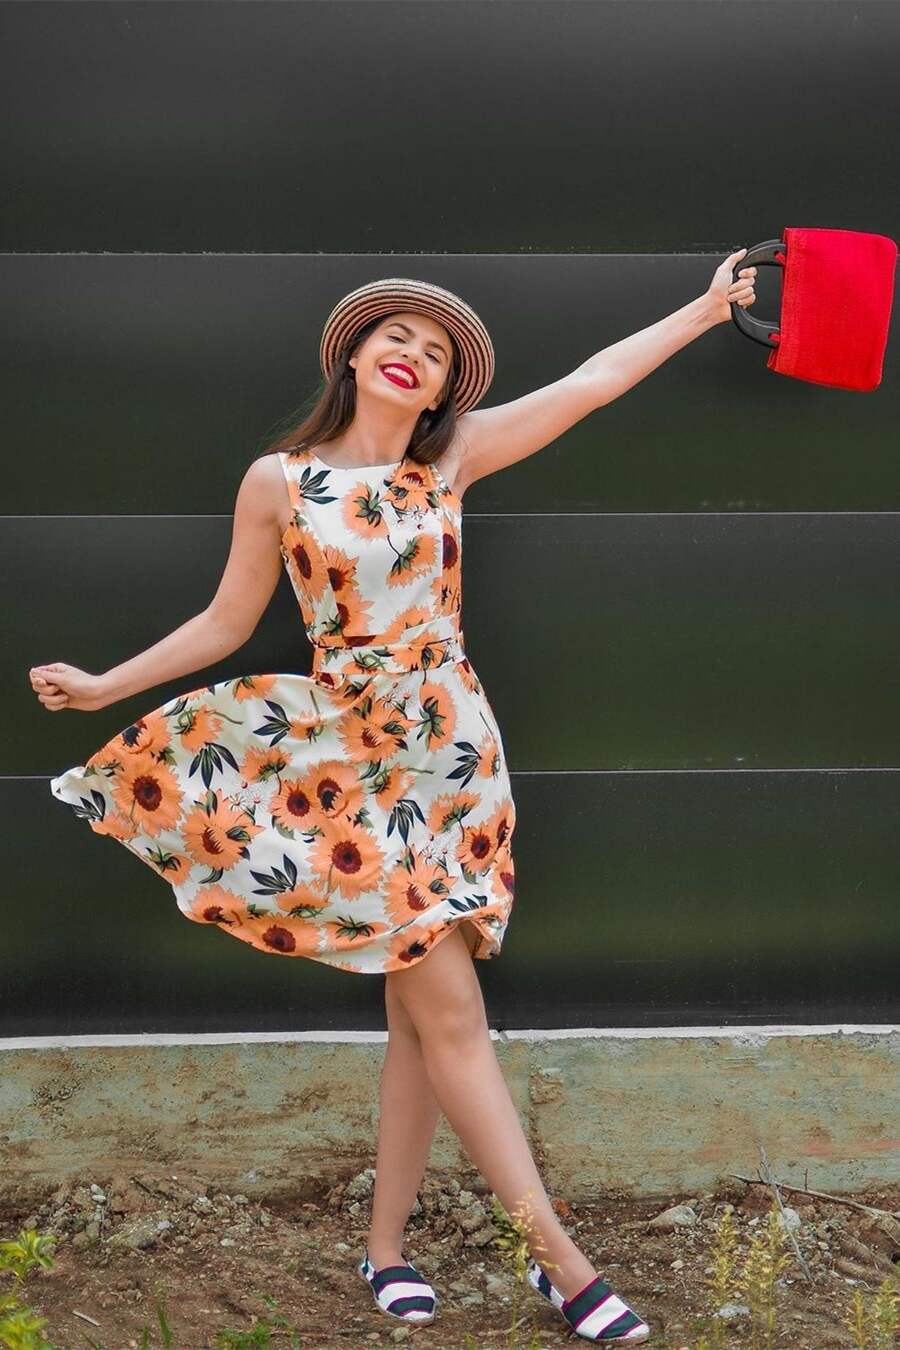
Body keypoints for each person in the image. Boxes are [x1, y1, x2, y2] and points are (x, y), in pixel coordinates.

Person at [29, 260, 757, 1343]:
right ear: (357, 355)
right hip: (347, 760)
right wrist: (106, 685)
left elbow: (594, 384)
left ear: (441, 393)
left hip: (453, 754)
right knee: (448, 1008)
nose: (414, 351)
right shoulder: (277, 482)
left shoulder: (451, 461)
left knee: (419, 1021)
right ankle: (560, 1262)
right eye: (398, 335)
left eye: (437, 351)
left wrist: (703, 311)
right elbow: (227, 624)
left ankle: (384, 1248)